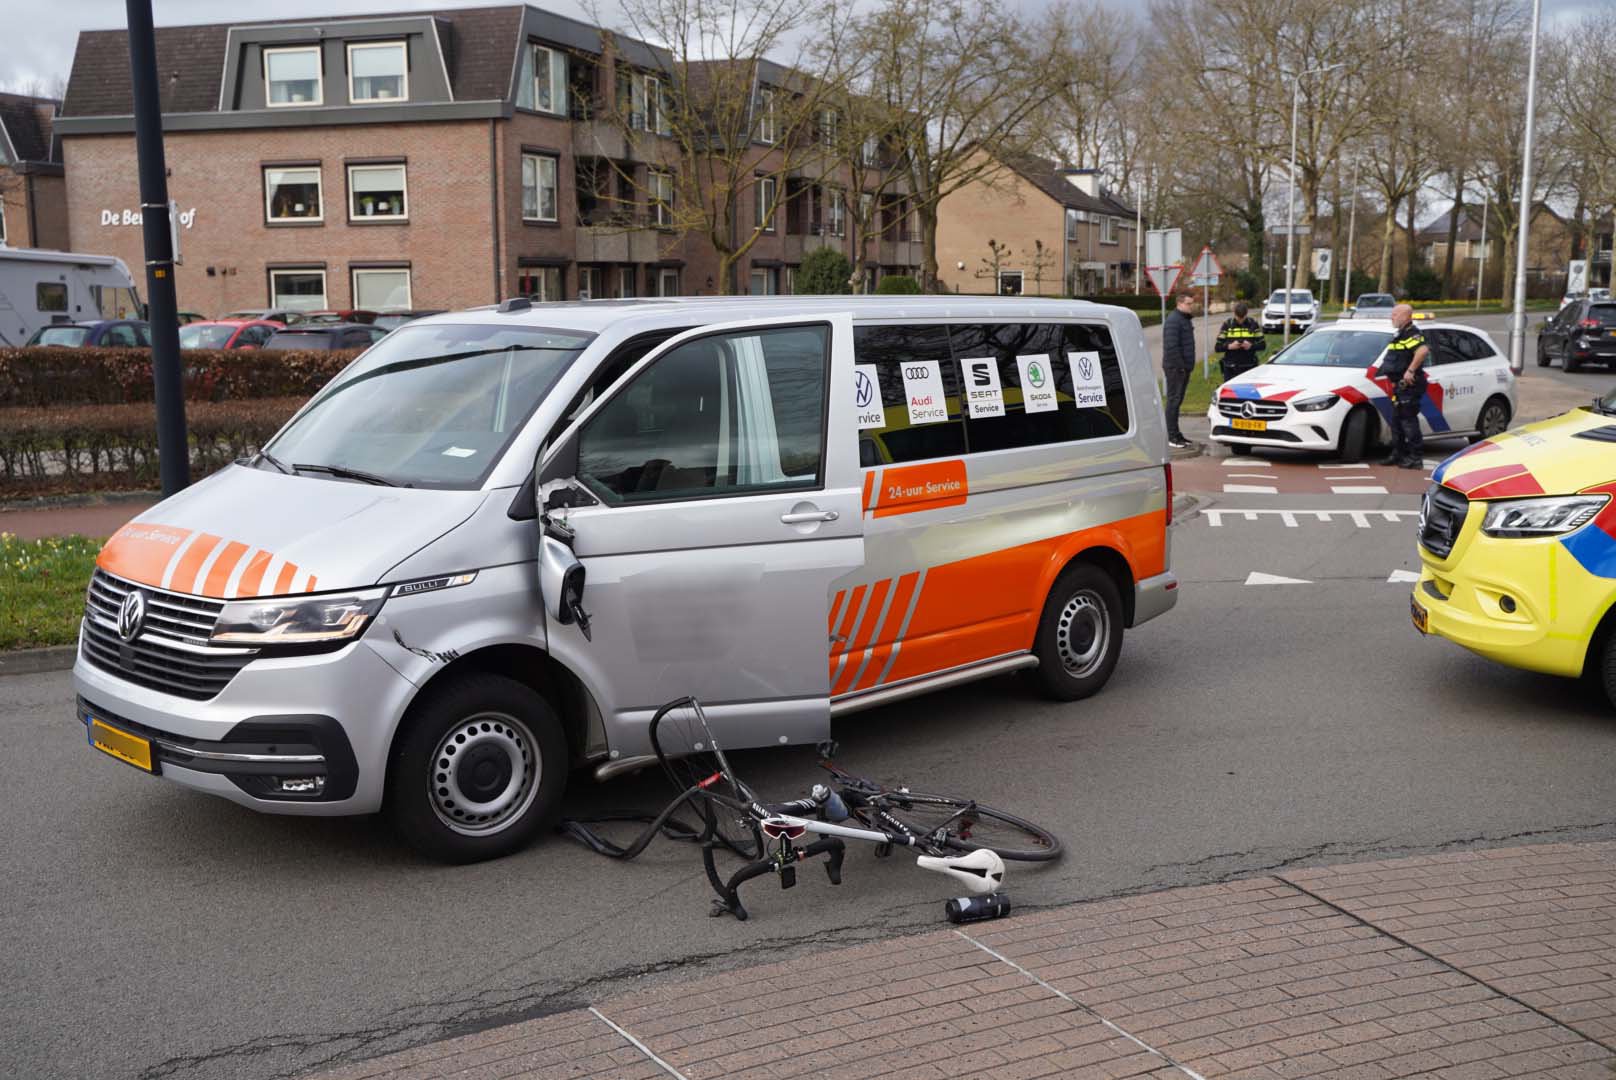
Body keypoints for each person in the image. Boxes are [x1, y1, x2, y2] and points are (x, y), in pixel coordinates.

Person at [1379, 303, 1430, 469]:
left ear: (1406, 316)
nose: (1391, 317)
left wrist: (1410, 371)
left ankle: (1416, 458)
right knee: (1397, 422)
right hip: (1399, 388)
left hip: (1409, 386)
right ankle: (1398, 454)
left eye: (1395, 314)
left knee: (1409, 422)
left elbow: (1422, 351)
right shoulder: (1400, 334)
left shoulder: (1412, 333)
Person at [1161, 292, 1197, 449]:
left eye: (1192, 303)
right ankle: (1171, 436)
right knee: (1173, 401)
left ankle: (1176, 434)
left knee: (1177, 401)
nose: (1191, 306)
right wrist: (1181, 367)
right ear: (1180, 304)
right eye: (1189, 303)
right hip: (1176, 368)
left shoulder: (1184, 320)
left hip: (1182, 368)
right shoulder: (1174, 321)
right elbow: (1171, 347)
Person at [1214, 302, 1266, 383]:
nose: (1241, 321)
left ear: (1246, 314)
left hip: (1249, 367)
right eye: (1238, 318)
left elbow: (1263, 345)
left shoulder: (1253, 324)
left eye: (1243, 318)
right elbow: (1217, 347)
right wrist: (1230, 346)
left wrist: (1251, 346)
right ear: (1234, 313)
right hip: (1231, 368)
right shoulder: (1227, 325)